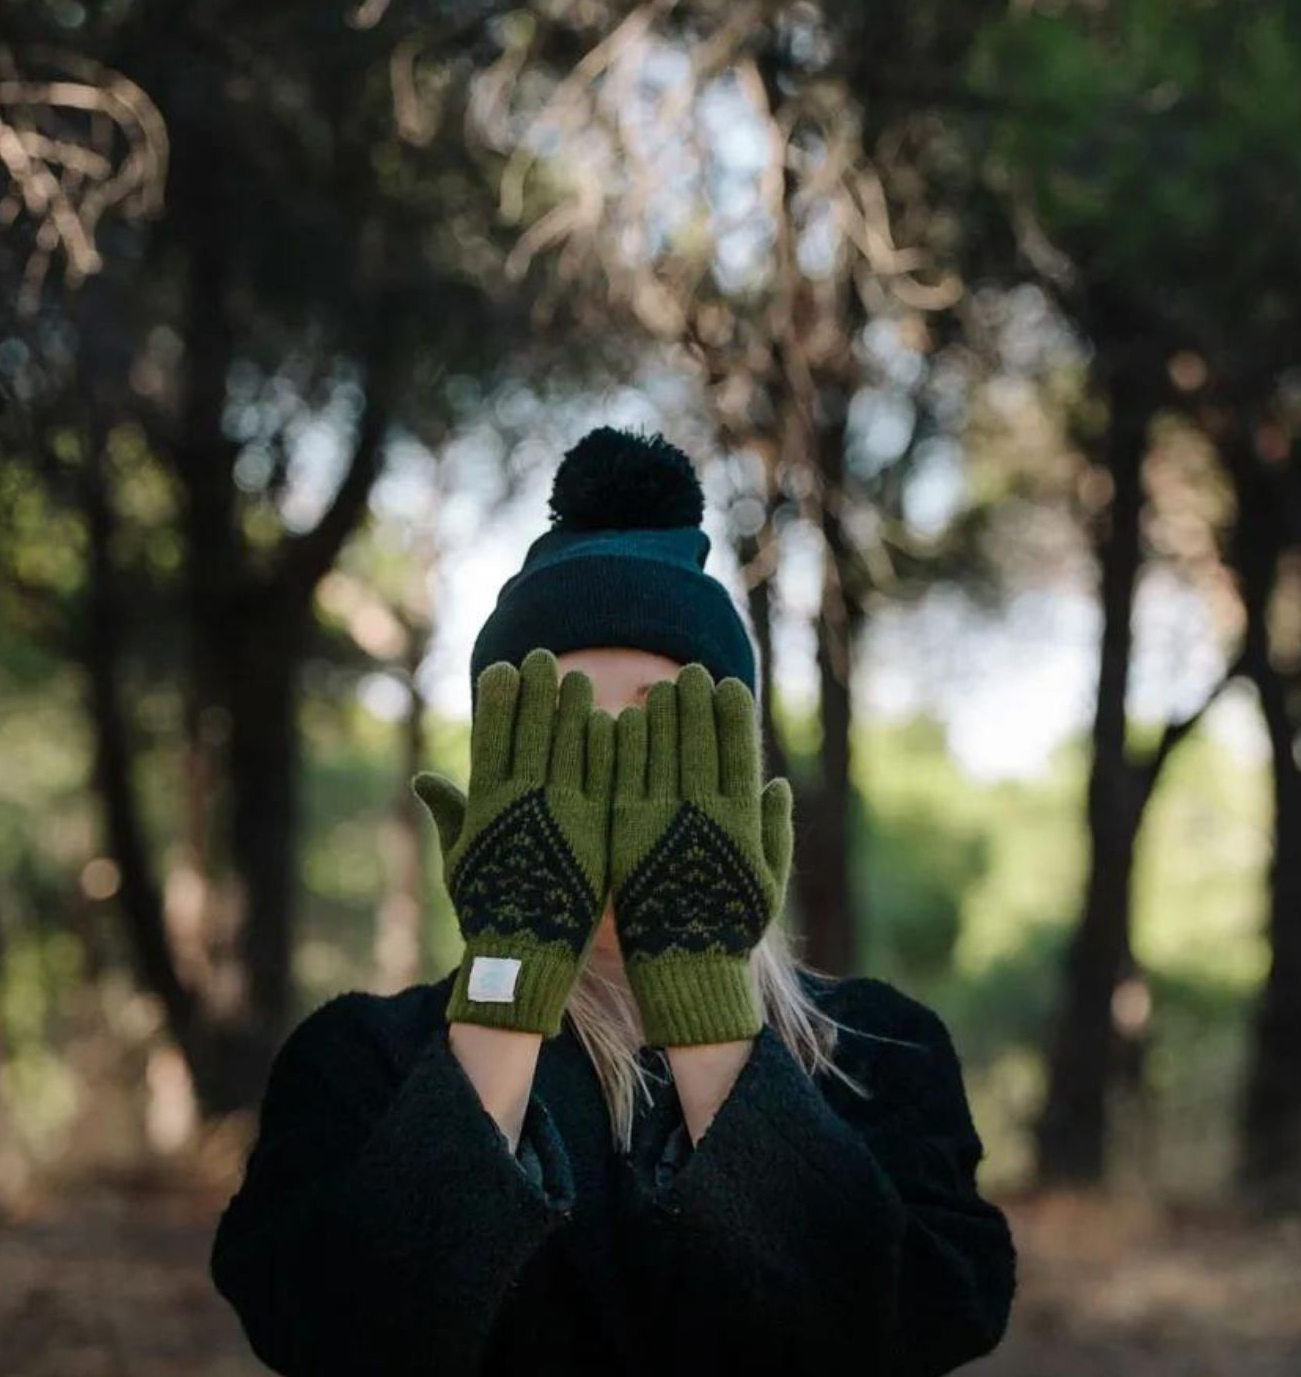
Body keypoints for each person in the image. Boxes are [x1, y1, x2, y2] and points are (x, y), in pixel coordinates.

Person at [209, 426, 1018, 1376]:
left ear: (737, 770)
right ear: (493, 774)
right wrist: (509, 984)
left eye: (655, 732)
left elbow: (917, 1322)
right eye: (566, 735)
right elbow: (340, 1336)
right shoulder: (361, 1059)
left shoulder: (879, 1051)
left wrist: (705, 997)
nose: (609, 784)